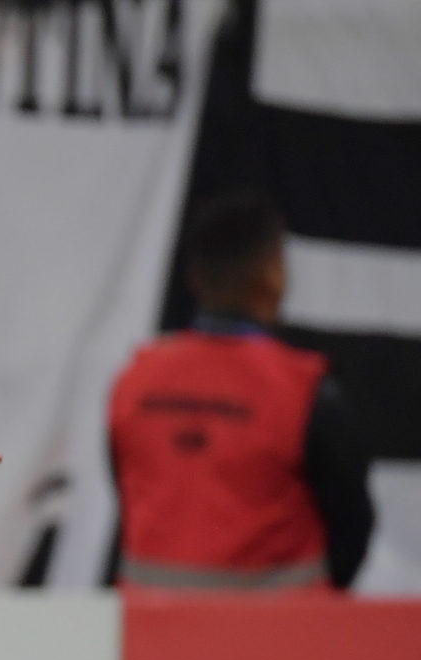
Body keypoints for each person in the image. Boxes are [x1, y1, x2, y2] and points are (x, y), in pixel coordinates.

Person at [108, 193, 375, 591]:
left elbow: (127, 499)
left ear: (194, 277)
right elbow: (351, 528)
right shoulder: (307, 394)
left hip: (154, 643)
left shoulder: (133, 384)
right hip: (279, 644)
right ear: (274, 276)